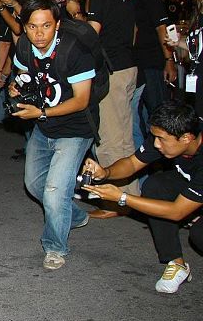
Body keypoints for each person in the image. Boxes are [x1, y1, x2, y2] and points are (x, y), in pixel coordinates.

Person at [9, 0, 97, 270]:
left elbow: (81, 100)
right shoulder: (24, 47)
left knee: (55, 190)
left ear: (57, 24)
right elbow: (21, 77)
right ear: (24, 27)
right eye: (33, 27)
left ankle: (55, 247)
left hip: (75, 129)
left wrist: (42, 113)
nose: (39, 33)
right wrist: (16, 88)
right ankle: (74, 215)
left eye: (46, 26)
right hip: (43, 127)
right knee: (34, 185)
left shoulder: (75, 50)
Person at [81, 101, 203, 293]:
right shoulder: (168, 132)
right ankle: (177, 264)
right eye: (155, 137)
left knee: (199, 234)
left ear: (187, 138)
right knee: (155, 186)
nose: (156, 144)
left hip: (194, 190)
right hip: (193, 184)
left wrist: (122, 197)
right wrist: (105, 172)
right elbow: (132, 164)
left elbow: (177, 212)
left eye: (161, 139)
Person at [73, 0, 138, 218]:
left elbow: (92, 33)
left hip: (113, 70)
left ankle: (115, 202)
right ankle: (129, 197)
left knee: (111, 137)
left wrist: (75, 17)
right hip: (126, 65)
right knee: (123, 136)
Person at [109, 0, 176, 150]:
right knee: (137, 116)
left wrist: (169, 60)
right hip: (135, 64)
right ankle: (145, 158)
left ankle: (169, 162)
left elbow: (161, 26)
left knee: (159, 115)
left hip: (151, 63)